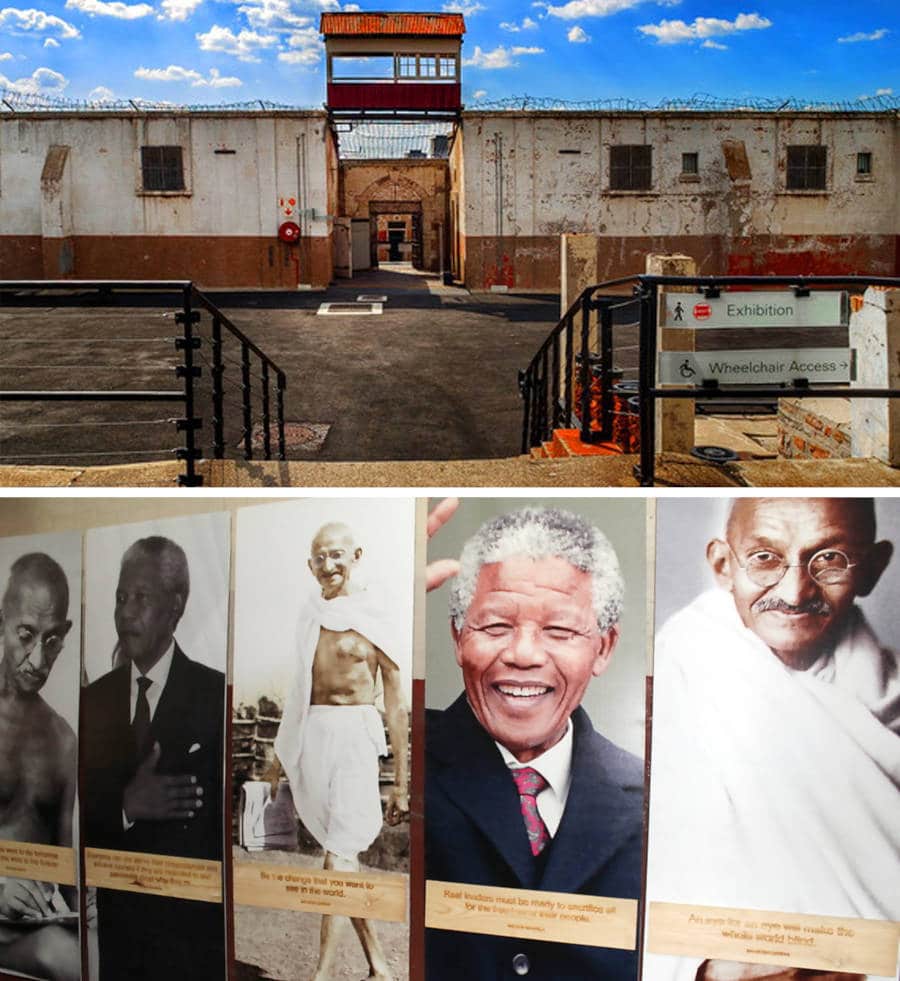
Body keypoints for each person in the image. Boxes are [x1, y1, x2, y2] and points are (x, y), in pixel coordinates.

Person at [645, 498, 900, 981]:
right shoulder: (678, 667)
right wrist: (704, 969)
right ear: (723, 565)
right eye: (765, 557)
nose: (796, 590)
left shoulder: (892, 703)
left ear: (873, 568)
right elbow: (632, 875)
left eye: (830, 560)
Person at [426, 506, 643, 980]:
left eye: (560, 630)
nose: (523, 654)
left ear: (603, 648)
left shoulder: (658, 800)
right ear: (458, 636)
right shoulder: (396, 756)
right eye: (495, 626)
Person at [268, 521, 409, 981]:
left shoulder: (374, 614)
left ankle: (322, 974)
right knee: (340, 862)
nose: (329, 565)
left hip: (355, 740)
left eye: (337, 555)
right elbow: (297, 690)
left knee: (338, 858)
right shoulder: (309, 614)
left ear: (356, 556)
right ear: (310, 565)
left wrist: (402, 784)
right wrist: (278, 756)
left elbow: (395, 705)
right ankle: (380, 965)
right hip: (314, 739)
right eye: (320, 558)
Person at [81, 536, 226, 981]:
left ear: (176, 606)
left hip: (191, 949)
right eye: (121, 597)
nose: (126, 612)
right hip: (115, 946)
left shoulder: (216, 696)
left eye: (141, 597)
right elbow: (71, 818)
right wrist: (125, 806)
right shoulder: (91, 701)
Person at [0, 553, 78, 981]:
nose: (37, 658)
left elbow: (64, 865)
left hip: (37, 925)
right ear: (1, 623)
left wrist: (86, 902)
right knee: (63, 955)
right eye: (26, 635)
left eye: (51, 641)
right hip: (14, 927)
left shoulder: (64, 740)